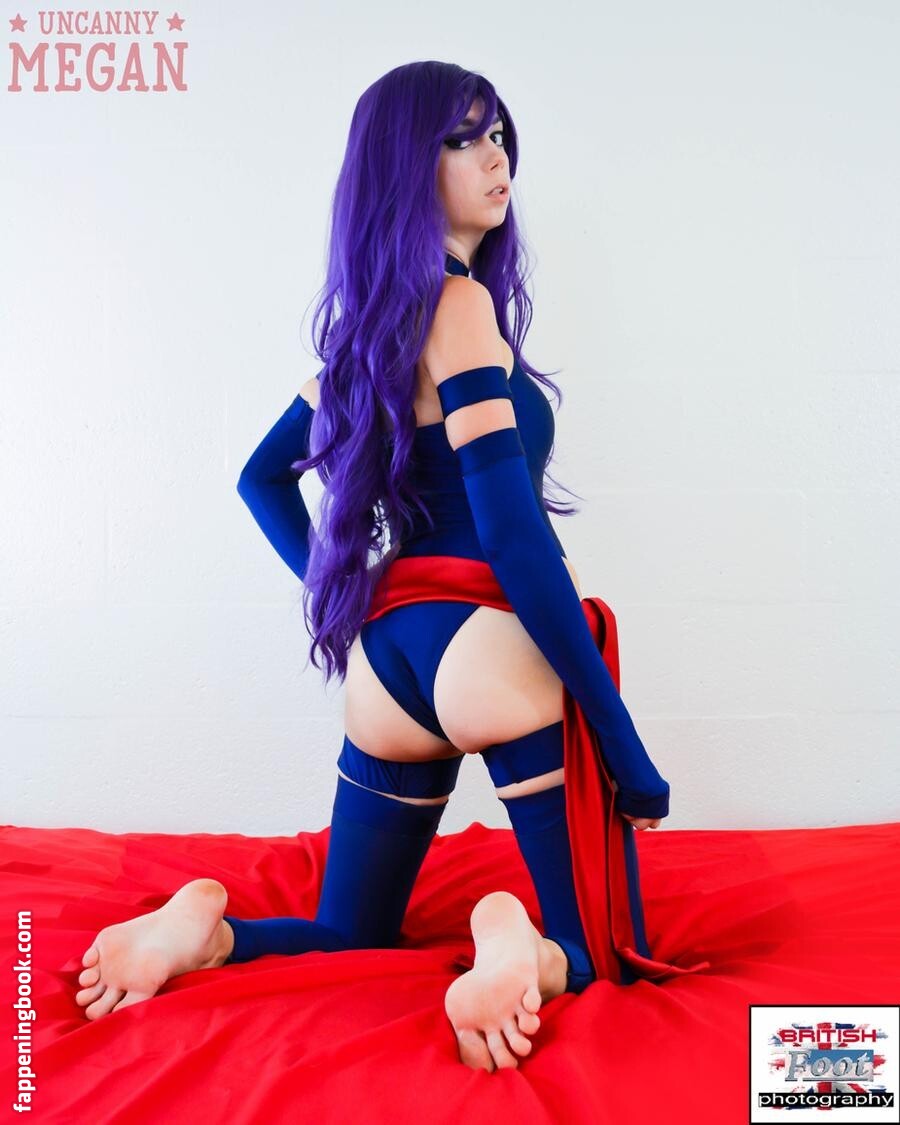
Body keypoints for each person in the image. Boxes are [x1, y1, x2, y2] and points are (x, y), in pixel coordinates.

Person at [73, 61, 669, 1074]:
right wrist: (620, 737)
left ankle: (204, 934)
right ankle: (511, 934)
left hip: (387, 659)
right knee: (600, 954)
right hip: (488, 640)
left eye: (499, 134)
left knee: (348, 930)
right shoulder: (461, 308)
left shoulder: (367, 335)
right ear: (405, 166)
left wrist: (344, 604)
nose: (496, 157)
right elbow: (513, 538)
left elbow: (261, 478)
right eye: (462, 139)